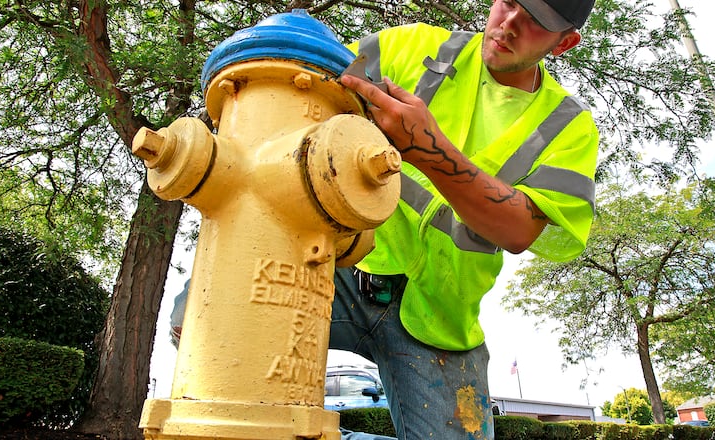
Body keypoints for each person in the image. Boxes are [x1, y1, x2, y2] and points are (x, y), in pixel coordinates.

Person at [172, 1, 598, 438]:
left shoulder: (568, 127)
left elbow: (520, 229)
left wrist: (427, 149)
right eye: (509, 2)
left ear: (564, 42)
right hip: (338, 267)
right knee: (197, 319)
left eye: (535, 22)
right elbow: (307, 93)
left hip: (437, 316)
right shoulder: (411, 47)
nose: (509, 24)